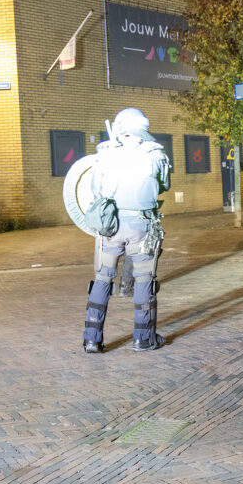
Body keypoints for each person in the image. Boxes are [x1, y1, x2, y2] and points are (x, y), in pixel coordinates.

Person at [83, 107, 171, 353]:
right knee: (144, 281)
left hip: (109, 225)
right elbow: (164, 184)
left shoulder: (105, 154)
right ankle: (143, 339)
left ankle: (92, 339)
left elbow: (95, 190)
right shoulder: (156, 153)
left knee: (102, 279)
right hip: (142, 226)